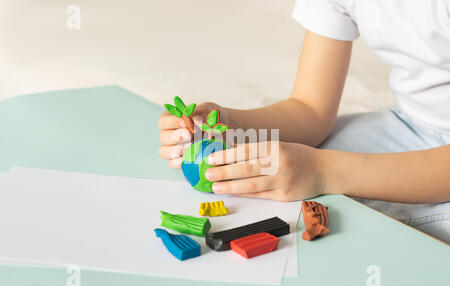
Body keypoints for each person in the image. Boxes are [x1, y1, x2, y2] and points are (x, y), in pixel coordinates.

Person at [158, 0, 450, 243]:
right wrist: (230, 126)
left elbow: (321, 168)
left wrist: (323, 171)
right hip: (411, 124)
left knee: (351, 221)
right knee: (274, 175)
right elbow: (310, 109)